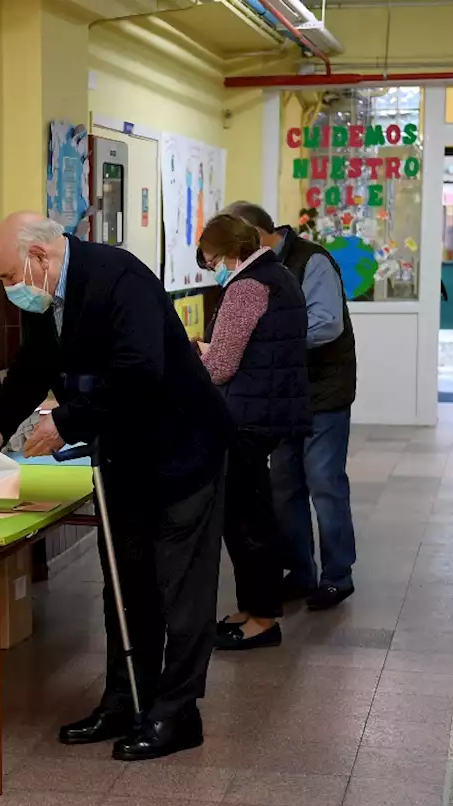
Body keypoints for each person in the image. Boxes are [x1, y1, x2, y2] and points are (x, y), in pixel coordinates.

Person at [0, 212, 231, 760]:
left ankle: (179, 714)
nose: (6, 289)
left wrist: (64, 422)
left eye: (7, 276)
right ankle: (125, 698)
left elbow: (140, 372)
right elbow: (33, 366)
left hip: (182, 447)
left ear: (39, 257)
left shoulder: (119, 278)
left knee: (179, 587)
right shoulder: (47, 296)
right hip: (125, 455)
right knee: (126, 583)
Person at [220, 202, 357, 611]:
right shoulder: (253, 271)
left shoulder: (311, 260)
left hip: (322, 392)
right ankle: (300, 573)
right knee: (285, 487)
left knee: (324, 485)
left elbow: (327, 323)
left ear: (258, 234)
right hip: (280, 396)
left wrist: (265, 337)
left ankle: (337, 576)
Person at [195, 215, 309, 652]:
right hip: (267, 410)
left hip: (246, 417)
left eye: (209, 259)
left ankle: (262, 619)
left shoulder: (245, 287)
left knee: (247, 522)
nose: (210, 267)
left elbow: (222, 364)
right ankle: (252, 609)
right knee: (251, 515)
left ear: (227, 252)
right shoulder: (277, 275)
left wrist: (192, 361)